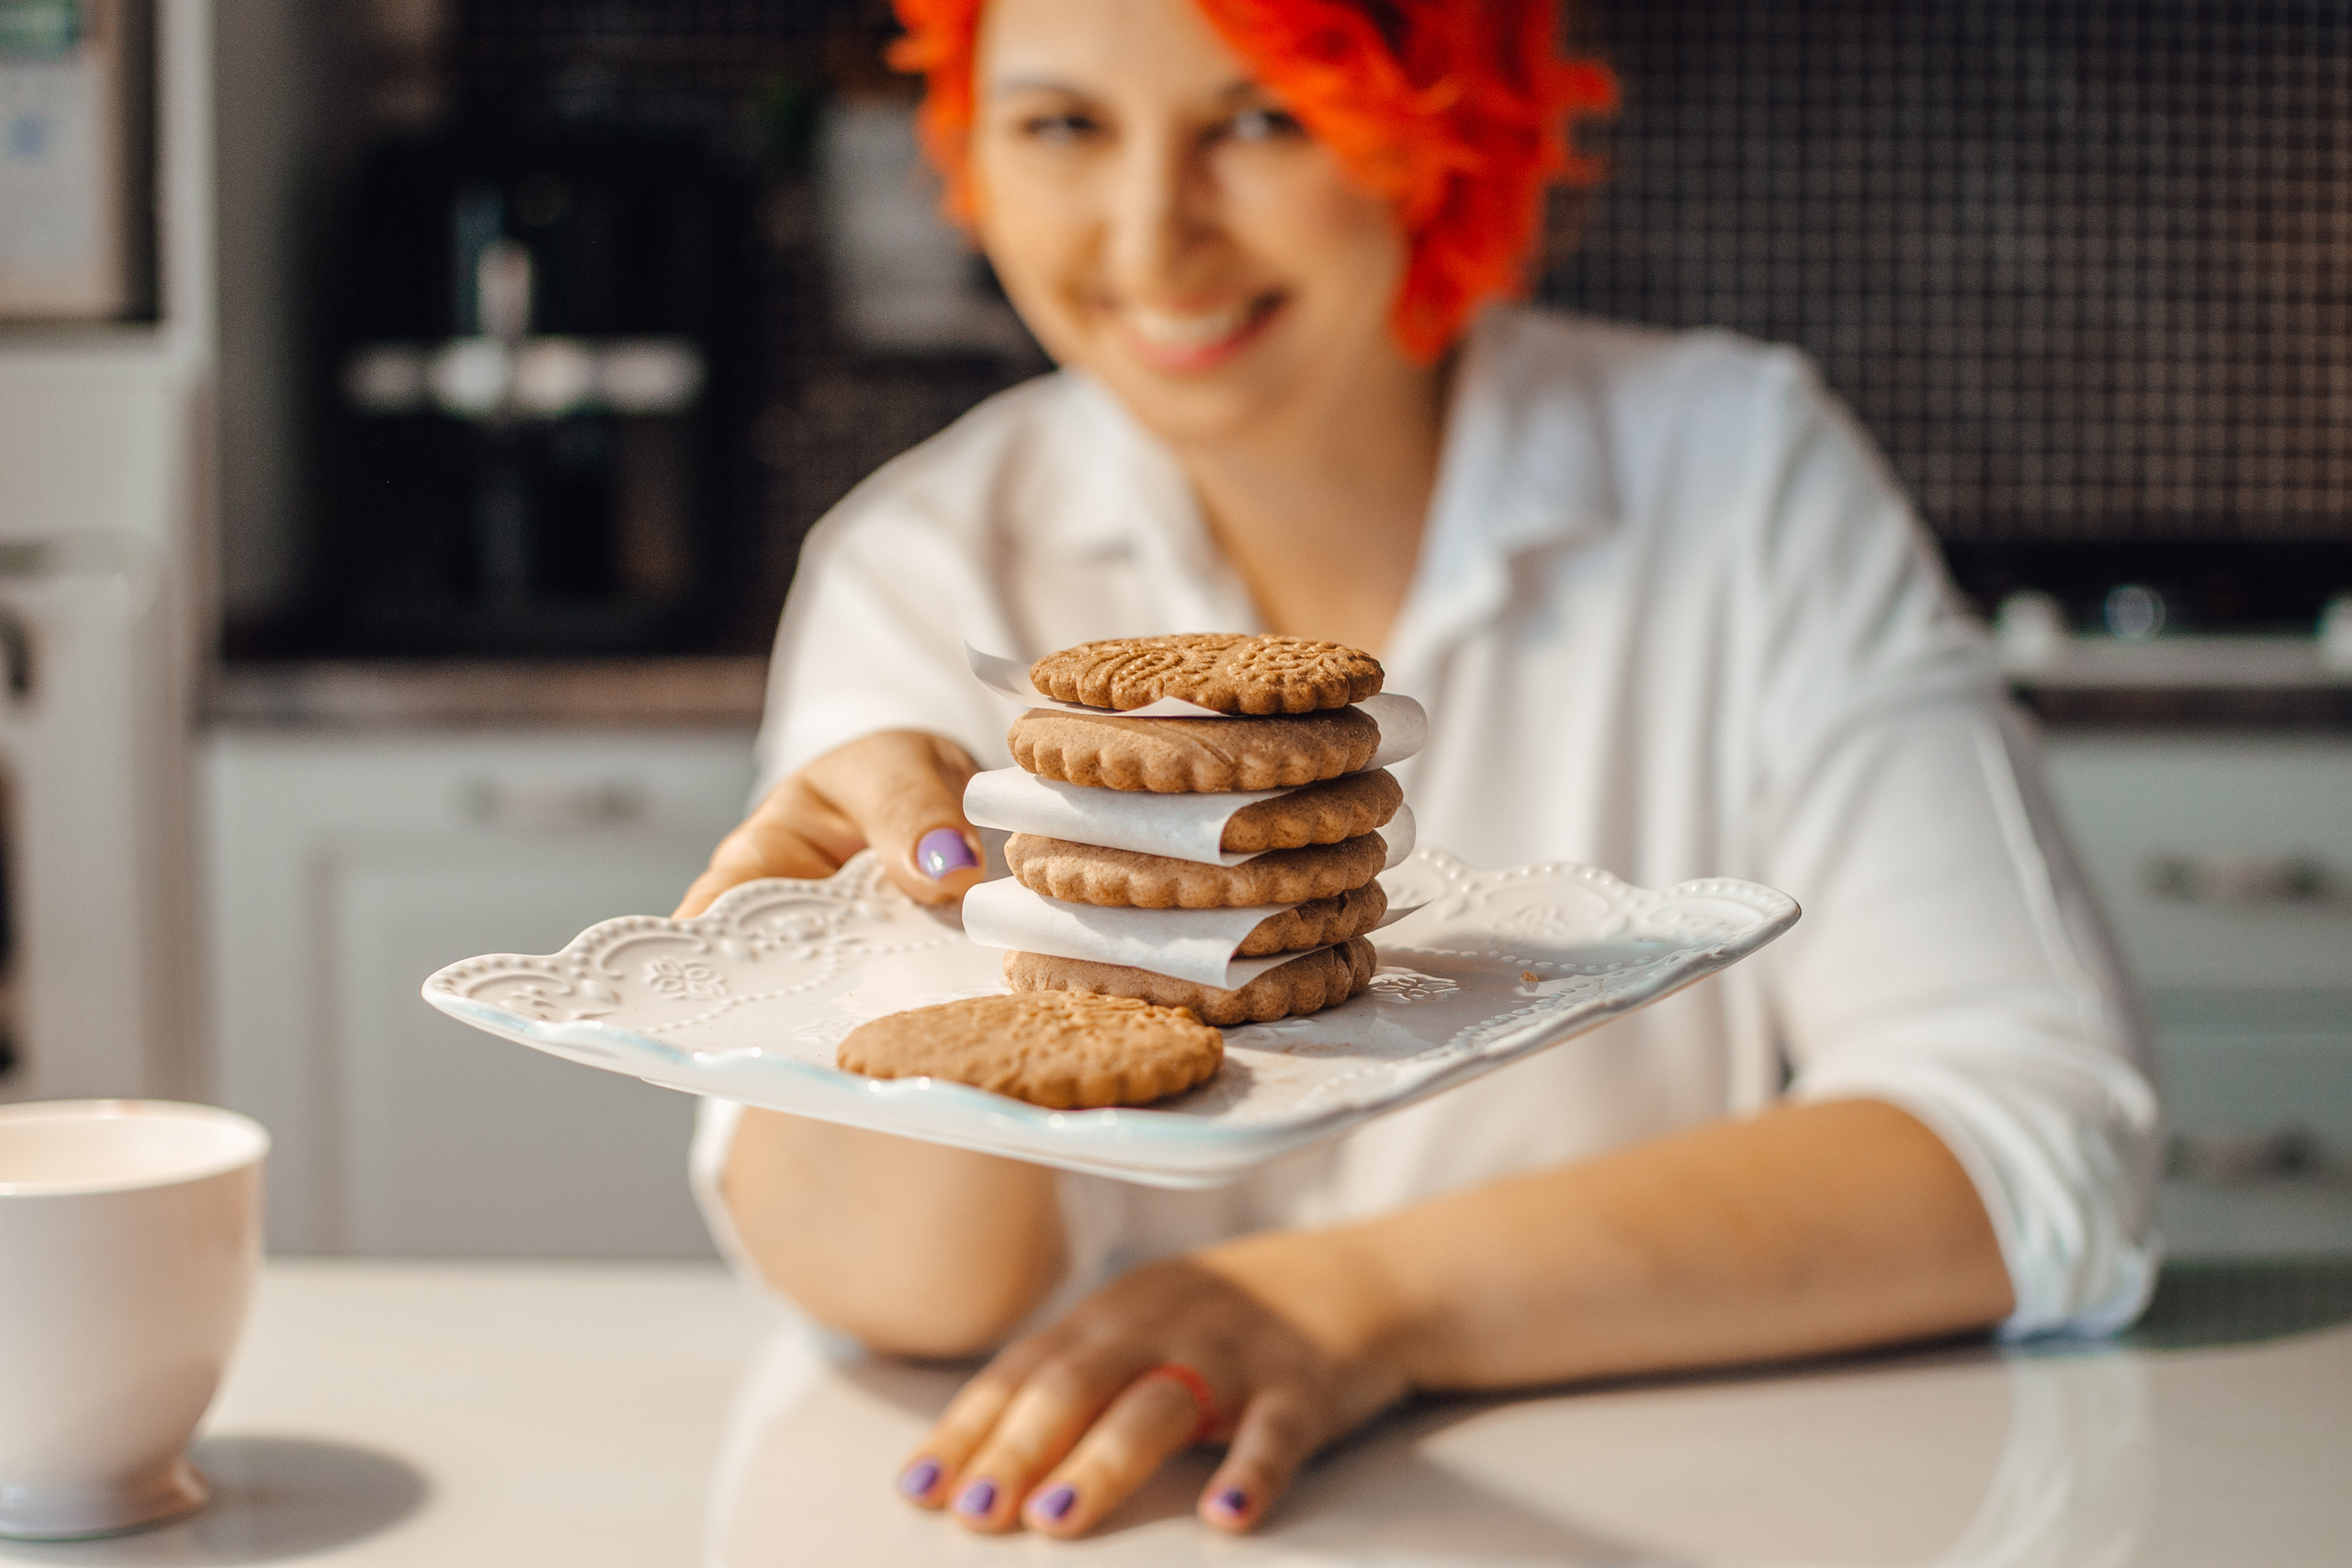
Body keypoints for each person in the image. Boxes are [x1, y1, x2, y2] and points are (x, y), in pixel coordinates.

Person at [676, 0, 2160, 1541]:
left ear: (1443, 125)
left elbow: (2036, 1137)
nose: (1152, 234)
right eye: (1062, 125)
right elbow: (892, 1298)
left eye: (1263, 120)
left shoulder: (1738, 476)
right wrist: (890, 952)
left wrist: (1361, 1301)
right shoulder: (920, 563)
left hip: (1666, 1507)